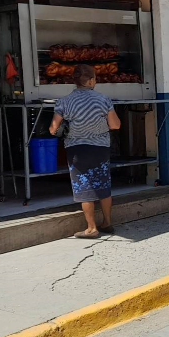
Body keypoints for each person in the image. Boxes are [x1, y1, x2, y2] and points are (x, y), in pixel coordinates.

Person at [49, 65, 121, 239]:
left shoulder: (64, 102)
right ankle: (107, 222)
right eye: (95, 78)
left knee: (84, 187)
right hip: (100, 148)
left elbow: (53, 129)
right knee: (103, 184)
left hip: (77, 150)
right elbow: (115, 125)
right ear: (90, 81)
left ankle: (91, 228)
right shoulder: (103, 100)